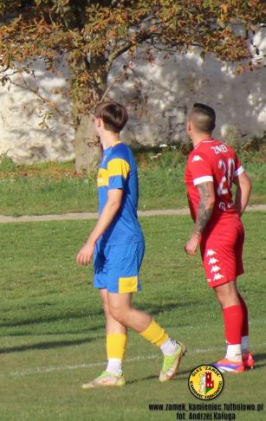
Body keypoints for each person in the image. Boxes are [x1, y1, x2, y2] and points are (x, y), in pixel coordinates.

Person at [76, 101, 185, 389]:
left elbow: (114, 202)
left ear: (99, 121)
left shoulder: (118, 156)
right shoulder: (108, 154)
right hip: (109, 243)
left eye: (93, 119)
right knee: (109, 306)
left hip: (123, 242)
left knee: (120, 308)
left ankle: (170, 347)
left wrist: (90, 241)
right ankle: (114, 371)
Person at [183, 103, 253, 373]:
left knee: (225, 293)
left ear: (190, 126)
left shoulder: (199, 157)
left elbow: (208, 197)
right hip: (232, 225)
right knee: (232, 291)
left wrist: (196, 234)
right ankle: (243, 352)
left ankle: (233, 358)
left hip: (217, 232)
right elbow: (246, 184)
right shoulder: (225, 149)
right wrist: (235, 214)